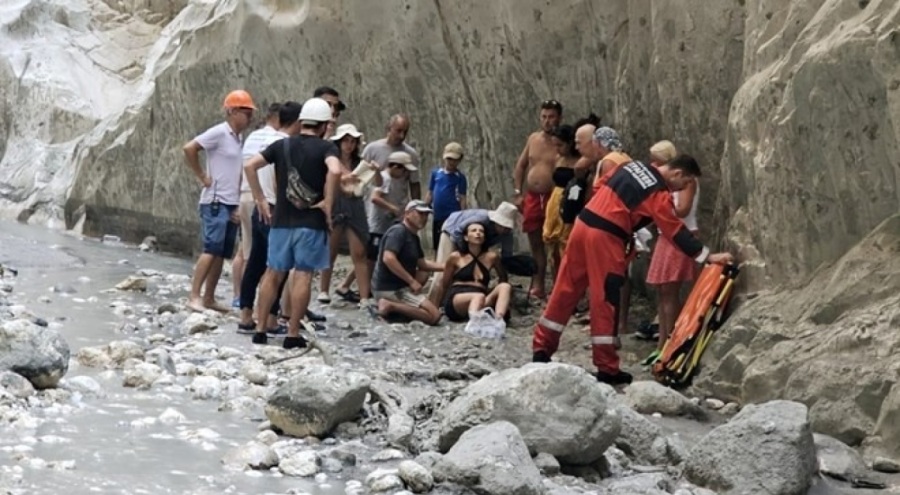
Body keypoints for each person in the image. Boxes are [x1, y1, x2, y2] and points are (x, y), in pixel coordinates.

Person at [531, 154, 734, 385]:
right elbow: (674, 230)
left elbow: (599, 185)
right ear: (677, 174)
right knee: (605, 298)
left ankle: (541, 349)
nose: (684, 188)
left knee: (565, 287)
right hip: (606, 237)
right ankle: (607, 367)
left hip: (583, 225)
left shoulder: (631, 166)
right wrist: (707, 256)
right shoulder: (658, 192)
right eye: (685, 183)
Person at [242, 97, 342, 349]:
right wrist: (328, 201)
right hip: (311, 222)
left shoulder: (281, 146)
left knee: (273, 273)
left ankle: (261, 328)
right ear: (322, 125)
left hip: (281, 221)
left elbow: (250, 165)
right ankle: (293, 333)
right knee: (303, 276)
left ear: (303, 121)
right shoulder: (326, 149)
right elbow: (336, 171)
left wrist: (260, 199)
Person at [183, 89, 256, 313]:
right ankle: (194, 296)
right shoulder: (219, 132)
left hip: (230, 201)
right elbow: (189, 148)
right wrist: (202, 176)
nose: (249, 118)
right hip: (215, 200)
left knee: (222, 252)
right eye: (246, 112)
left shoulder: (237, 138)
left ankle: (209, 297)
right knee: (211, 248)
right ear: (232, 112)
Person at [236, 101, 302, 335]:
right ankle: (271, 319)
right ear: (296, 122)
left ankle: (245, 315)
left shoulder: (260, 139)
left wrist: (259, 198)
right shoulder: (285, 146)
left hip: (260, 209)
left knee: (255, 262)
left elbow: (248, 168)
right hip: (277, 211)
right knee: (278, 268)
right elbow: (280, 179)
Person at [643, 148, 702, 365]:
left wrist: (659, 207)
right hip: (666, 237)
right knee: (662, 292)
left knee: (670, 291)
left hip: (679, 236)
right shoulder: (667, 184)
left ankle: (672, 342)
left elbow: (683, 210)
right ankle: (661, 343)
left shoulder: (687, 182)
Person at [317, 123, 379, 307]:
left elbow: (374, 181)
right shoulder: (331, 159)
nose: (349, 145)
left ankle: (364, 296)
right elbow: (328, 180)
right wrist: (344, 179)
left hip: (354, 205)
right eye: (346, 141)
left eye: (353, 141)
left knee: (359, 251)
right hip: (336, 203)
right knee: (331, 249)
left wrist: (373, 170)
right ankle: (323, 289)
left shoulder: (360, 163)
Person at [232, 102, 283, 309]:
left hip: (246, 194)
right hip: (262, 198)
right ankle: (258, 306)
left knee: (246, 253)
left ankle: (241, 300)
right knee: (260, 259)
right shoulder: (277, 139)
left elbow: (242, 168)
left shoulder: (252, 137)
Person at [512, 99, 563, 299]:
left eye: (551, 117)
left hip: (553, 197)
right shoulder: (533, 138)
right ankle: (538, 282)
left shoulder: (562, 142)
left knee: (556, 242)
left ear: (559, 118)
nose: (547, 121)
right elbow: (521, 165)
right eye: (544, 117)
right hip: (533, 197)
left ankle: (558, 286)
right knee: (535, 242)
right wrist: (517, 192)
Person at [427, 202, 519, 305]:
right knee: (444, 271)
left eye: (507, 228)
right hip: (452, 230)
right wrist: (465, 253)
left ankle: (454, 301)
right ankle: (432, 304)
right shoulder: (482, 218)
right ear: (496, 221)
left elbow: (506, 257)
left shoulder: (507, 235)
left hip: (475, 242)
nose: (503, 230)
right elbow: (458, 232)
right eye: (502, 226)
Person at [371, 200, 444, 325]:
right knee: (434, 316)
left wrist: (447, 267)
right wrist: (411, 281)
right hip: (391, 288)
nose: (424, 218)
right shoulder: (398, 232)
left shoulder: (414, 237)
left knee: (424, 274)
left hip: (401, 287)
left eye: (426, 215)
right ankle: (389, 305)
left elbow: (422, 264)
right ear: (408, 214)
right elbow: (388, 258)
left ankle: (399, 309)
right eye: (420, 214)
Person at [441, 222, 512, 323]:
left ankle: (498, 321)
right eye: (474, 231)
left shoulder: (492, 257)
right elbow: (445, 283)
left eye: (481, 231)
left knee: (505, 286)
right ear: (466, 237)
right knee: (478, 296)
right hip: (458, 298)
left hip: (481, 297)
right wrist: (441, 304)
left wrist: (494, 293)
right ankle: (475, 324)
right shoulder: (455, 257)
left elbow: (503, 277)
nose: (478, 233)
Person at [542, 124, 580, 281]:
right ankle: (557, 282)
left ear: (570, 143)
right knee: (553, 245)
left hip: (570, 203)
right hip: (555, 201)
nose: (557, 148)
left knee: (568, 245)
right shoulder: (558, 159)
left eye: (560, 145)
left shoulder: (580, 162)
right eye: (555, 145)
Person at [361, 114, 422, 199]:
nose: (402, 136)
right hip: (375, 206)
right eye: (398, 131)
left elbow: (414, 183)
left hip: (399, 206)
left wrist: (416, 206)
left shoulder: (411, 154)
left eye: (405, 132)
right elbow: (360, 177)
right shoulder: (372, 149)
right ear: (389, 129)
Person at [424, 142, 468, 250]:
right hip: (438, 215)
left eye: (455, 159)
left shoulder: (460, 178)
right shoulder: (436, 174)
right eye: (449, 159)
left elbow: (462, 197)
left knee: (450, 245)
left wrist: (463, 216)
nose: (451, 162)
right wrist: (424, 207)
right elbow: (430, 192)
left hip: (452, 216)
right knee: (437, 245)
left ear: (460, 159)